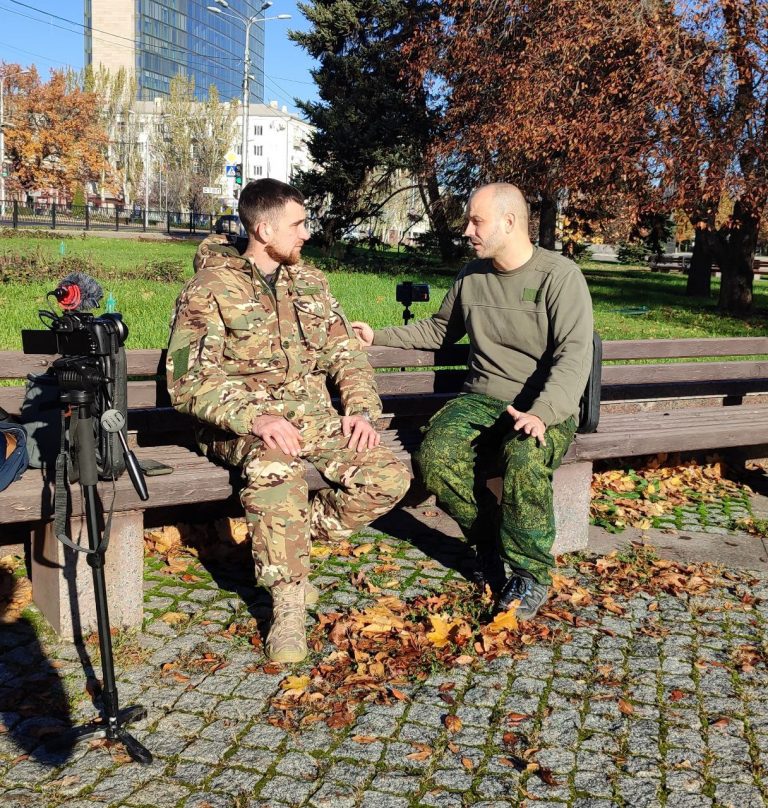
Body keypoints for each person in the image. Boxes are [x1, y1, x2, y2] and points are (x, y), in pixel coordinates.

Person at [166, 179, 409, 663]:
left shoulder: (311, 283)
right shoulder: (208, 290)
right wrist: (256, 418)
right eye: (297, 224)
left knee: (388, 477)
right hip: (239, 425)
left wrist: (361, 410)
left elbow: (347, 355)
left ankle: (280, 545)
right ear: (263, 229)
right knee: (276, 471)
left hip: (312, 417)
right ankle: (288, 607)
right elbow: (187, 380)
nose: (306, 233)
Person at [352, 183, 593, 620]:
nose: (467, 230)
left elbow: (573, 356)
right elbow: (440, 330)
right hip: (481, 399)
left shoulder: (559, 277)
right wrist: (378, 336)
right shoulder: (471, 275)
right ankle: (490, 544)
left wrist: (541, 414)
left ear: (509, 222)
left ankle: (531, 574)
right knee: (435, 458)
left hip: (542, 405)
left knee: (524, 458)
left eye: (476, 221)